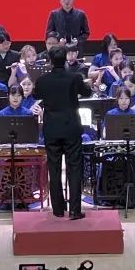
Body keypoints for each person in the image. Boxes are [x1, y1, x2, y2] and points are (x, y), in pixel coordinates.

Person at [35, 44, 92, 219]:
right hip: (71, 128)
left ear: (50, 61)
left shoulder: (42, 80)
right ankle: (75, 210)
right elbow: (87, 92)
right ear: (65, 58)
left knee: (54, 169)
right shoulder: (74, 78)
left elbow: (36, 95)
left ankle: (58, 210)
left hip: (52, 129)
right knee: (74, 168)